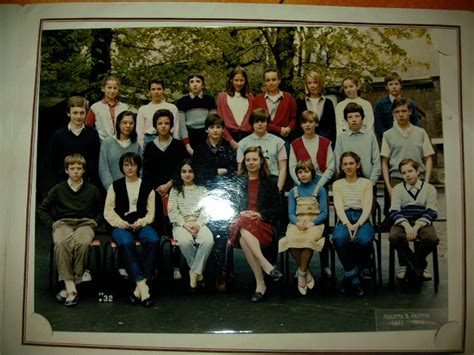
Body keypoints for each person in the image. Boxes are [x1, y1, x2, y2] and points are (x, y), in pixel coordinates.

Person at [37, 154, 103, 307]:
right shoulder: (58, 189)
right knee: (61, 242)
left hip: (85, 223)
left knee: (83, 242)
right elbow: (42, 209)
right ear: (66, 170)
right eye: (72, 168)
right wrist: (52, 224)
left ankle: (70, 287)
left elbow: (101, 211)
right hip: (63, 223)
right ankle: (71, 286)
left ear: (84, 170)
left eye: (79, 168)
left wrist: (95, 221)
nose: (75, 171)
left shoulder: (92, 189)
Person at [381, 99, 434, 278]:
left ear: (410, 112)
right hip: (396, 180)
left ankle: (419, 263)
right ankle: (404, 264)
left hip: (417, 178)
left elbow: (427, 157)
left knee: (420, 222)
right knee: (399, 226)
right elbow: (384, 162)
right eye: (397, 112)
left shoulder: (420, 133)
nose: (401, 115)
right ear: (394, 114)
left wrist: (425, 181)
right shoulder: (388, 135)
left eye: (404, 111)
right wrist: (388, 186)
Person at [104, 152, 159, 307]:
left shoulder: (148, 187)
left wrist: (141, 222)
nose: (129, 167)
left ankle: (141, 284)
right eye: (126, 164)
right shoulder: (115, 185)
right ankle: (141, 283)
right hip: (120, 224)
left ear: (138, 167)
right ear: (122, 167)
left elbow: (151, 213)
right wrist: (120, 223)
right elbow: (108, 210)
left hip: (140, 223)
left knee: (153, 239)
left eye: (133, 164)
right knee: (126, 241)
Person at [229, 146, 283, 302]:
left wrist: (260, 214)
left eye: (254, 159)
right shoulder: (239, 182)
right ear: (244, 162)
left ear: (261, 162)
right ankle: (266, 268)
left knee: (243, 238)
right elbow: (231, 207)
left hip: (263, 224)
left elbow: (278, 209)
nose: (251, 163)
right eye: (248, 160)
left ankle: (260, 283)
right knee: (243, 226)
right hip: (243, 224)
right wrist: (240, 213)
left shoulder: (270, 182)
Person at [193, 113, 237, 291]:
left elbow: (232, 172)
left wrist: (221, 173)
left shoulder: (228, 148)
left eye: (219, 127)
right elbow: (197, 173)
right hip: (204, 196)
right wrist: (217, 171)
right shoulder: (199, 149)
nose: (215, 130)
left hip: (224, 196)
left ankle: (224, 274)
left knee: (224, 234)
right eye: (212, 127)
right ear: (206, 129)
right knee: (208, 234)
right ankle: (207, 274)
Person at [278, 160, 328, 295]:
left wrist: (313, 223)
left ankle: (300, 273)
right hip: (298, 223)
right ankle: (306, 270)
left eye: (306, 171)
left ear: (312, 173)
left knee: (308, 240)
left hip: (314, 224)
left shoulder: (320, 189)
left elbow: (324, 212)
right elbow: (291, 213)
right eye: (300, 172)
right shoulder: (294, 191)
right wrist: (296, 222)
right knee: (290, 239)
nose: (303, 175)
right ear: (297, 175)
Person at [388, 159, 439, 290]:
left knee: (431, 239)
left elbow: (432, 211)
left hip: (422, 221)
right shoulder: (398, 189)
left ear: (418, 171)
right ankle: (418, 265)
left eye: (410, 171)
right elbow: (394, 211)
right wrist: (406, 226)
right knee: (394, 237)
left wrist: (416, 226)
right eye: (404, 173)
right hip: (403, 221)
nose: (407, 175)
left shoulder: (429, 188)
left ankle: (415, 265)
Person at [167, 159, 215, 290]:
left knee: (208, 240)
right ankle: (198, 273)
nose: (187, 174)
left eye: (190, 171)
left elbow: (207, 211)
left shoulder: (202, 189)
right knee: (185, 241)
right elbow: (172, 211)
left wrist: (199, 224)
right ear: (180, 173)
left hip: (198, 222)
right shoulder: (175, 190)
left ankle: (194, 272)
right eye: (184, 171)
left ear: (195, 173)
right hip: (181, 224)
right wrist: (184, 225)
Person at [332, 151, 375, 297]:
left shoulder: (366, 183)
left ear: (358, 165)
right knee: (338, 238)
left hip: (361, 217)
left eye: (351, 163)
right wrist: (347, 224)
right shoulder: (337, 184)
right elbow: (338, 206)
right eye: (345, 164)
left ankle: (352, 273)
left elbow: (368, 207)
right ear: (341, 167)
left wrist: (357, 224)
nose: (348, 166)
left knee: (364, 240)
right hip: (344, 218)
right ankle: (354, 278)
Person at [143, 108, 189, 235]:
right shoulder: (150, 147)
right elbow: (147, 172)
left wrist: (169, 185)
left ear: (171, 125)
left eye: (167, 123)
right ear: (155, 126)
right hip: (155, 191)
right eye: (160, 123)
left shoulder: (178, 146)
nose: (163, 126)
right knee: (155, 229)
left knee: (174, 231)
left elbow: (183, 169)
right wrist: (158, 190)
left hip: (175, 188)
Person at [51, 96, 100, 187]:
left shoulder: (93, 134)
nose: (78, 116)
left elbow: (95, 161)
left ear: (86, 113)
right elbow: (54, 162)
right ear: (68, 113)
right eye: (75, 113)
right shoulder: (59, 135)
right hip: (64, 184)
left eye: (82, 113)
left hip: (86, 184)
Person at [237, 108, 287, 191]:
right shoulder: (242, 144)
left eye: (263, 121)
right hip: (251, 183)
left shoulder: (278, 142)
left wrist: (278, 188)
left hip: (273, 181)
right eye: (256, 121)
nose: (260, 124)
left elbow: (283, 168)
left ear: (267, 123)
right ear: (252, 124)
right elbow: (240, 170)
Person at [334, 102, 381, 186]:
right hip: (347, 183)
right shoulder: (341, 137)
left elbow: (376, 162)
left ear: (362, 118)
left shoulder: (370, 136)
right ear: (346, 119)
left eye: (357, 116)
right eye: (350, 117)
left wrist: (372, 182)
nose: (354, 120)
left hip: (368, 182)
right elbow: (338, 162)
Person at [289, 110, 335, 189]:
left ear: (316, 123)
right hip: (301, 184)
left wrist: (319, 185)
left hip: (321, 183)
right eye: (304, 122)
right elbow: (292, 168)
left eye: (311, 122)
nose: (307, 125)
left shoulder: (326, 143)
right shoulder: (294, 144)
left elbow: (331, 167)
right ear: (301, 125)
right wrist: (300, 183)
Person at [99, 111, 142, 191]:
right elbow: (103, 168)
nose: (128, 126)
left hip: (133, 191)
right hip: (112, 190)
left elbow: (141, 169)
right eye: (124, 122)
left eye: (131, 123)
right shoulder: (107, 143)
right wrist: (111, 189)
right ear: (118, 124)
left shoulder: (136, 146)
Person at [252, 68, 297, 143]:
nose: (271, 83)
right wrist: (279, 129)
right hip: (262, 138)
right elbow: (254, 121)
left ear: (279, 80)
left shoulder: (289, 98)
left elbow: (294, 118)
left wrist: (288, 128)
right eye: (268, 80)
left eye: (274, 79)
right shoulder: (257, 99)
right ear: (264, 82)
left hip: (283, 138)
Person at [176, 74, 217, 155]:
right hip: (189, 137)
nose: (195, 84)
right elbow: (182, 126)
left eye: (198, 81)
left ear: (203, 85)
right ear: (189, 85)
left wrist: (211, 142)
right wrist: (187, 146)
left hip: (206, 136)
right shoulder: (182, 102)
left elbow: (213, 122)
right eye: (191, 82)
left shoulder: (209, 100)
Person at [374, 71, 420, 142]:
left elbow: (415, 122)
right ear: (386, 87)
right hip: (389, 140)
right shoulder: (380, 104)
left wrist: (410, 136)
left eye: (396, 84)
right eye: (391, 84)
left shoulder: (409, 103)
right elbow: (378, 126)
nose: (394, 87)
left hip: (407, 138)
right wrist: (389, 137)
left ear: (401, 86)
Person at [136, 78, 179, 150]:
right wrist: (141, 148)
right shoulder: (143, 109)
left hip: (168, 139)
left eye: (159, 89)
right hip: (149, 140)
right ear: (149, 91)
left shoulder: (172, 108)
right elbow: (140, 132)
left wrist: (175, 145)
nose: (156, 92)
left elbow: (176, 130)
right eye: (153, 89)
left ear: (163, 90)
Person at [216, 67, 254, 149]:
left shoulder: (250, 97)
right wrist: (231, 140)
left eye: (242, 80)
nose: (239, 83)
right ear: (231, 80)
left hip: (247, 137)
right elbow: (220, 121)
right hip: (228, 138)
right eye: (236, 80)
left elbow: (253, 119)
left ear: (245, 81)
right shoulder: (222, 97)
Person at [296, 71, 336, 145]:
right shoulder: (300, 103)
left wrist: (332, 144)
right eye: (309, 83)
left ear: (320, 84)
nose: (312, 85)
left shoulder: (328, 103)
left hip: (324, 141)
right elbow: (297, 126)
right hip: (305, 140)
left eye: (315, 82)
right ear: (306, 85)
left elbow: (332, 126)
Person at [85, 76, 129, 142]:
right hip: (101, 144)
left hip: (121, 143)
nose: (112, 91)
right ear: (103, 88)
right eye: (109, 87)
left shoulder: (124, 107)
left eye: (115, 88)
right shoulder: (95, 107)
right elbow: (88, 128)